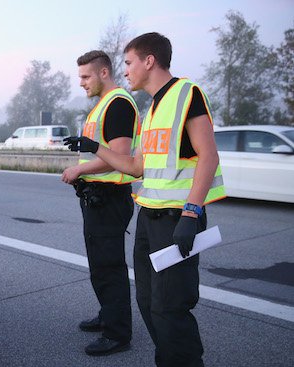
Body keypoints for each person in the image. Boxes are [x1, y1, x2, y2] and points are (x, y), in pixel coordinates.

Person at [65, 32, 226, 367]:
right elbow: (136, 166)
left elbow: (208, 156)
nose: (125, 70)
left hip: (177, 218)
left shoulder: (186, 94)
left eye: (128, 62)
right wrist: (95, 147)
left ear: (149, 61)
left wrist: (191, 214)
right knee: (147, 301)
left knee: (170, 307)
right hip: (149, 217)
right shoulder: (152, 109)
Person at [61, 50, 138, 356]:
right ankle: (108, 314)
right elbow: (99, 152)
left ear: (103, 72)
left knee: (109, 267)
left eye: (85, 76)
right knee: (99, 265)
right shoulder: (102, 106)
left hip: (110, 198)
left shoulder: (118, 103)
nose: (80, 83)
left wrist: (79, 169)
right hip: (97, 198)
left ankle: (118, 333)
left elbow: (119, 157)